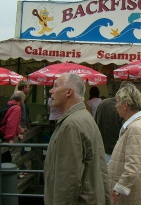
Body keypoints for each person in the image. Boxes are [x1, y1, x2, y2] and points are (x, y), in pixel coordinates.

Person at [44, 73, 110, 204]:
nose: (51, 90)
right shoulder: (84, 118)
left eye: (56, 86)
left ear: (69, 92)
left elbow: (67, 182)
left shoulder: (71, 125)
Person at [108, 84, 141, 205]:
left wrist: (116, 191)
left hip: (132, 197)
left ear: (125, 105)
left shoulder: (135, 128)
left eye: (117, 102)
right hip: (138, 193)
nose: (115, 105)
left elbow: (132, 169)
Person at [95, 81, 131, 164]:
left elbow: (95, 123)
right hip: (118, 153)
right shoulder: (124, 108)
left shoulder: (103, 104)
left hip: (102, 150)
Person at [0, 91, 25, 163]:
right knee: (7, 159)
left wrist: (18, 133)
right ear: (22, 100)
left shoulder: (9, 104)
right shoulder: (17, 108)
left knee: (3, 158)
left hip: (0, 132)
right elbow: (11, 123)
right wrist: (10, 138)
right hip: (4, 135)